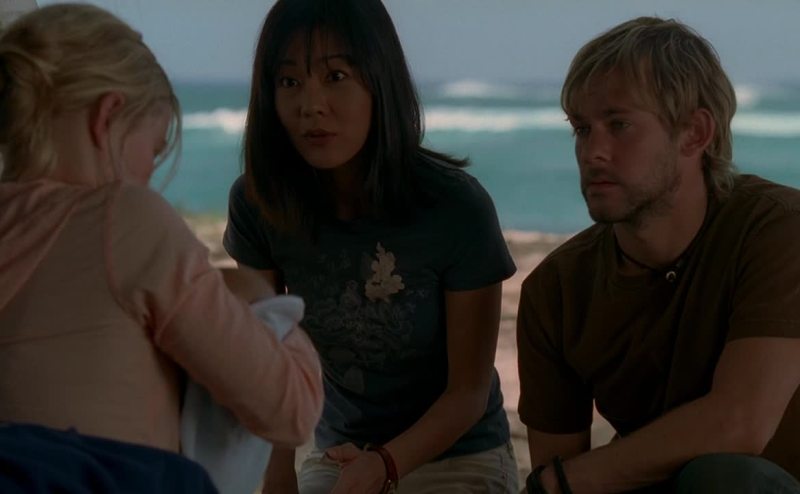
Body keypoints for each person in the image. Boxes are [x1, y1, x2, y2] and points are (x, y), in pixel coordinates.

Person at [0, 3, 323, 488]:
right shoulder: (122, 217)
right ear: (106, 116)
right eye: (152, 151)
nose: (149, 176)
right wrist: (257, 294)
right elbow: (291, 409)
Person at [223, 0, 518, 492]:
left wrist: (385, 465)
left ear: (380, 81)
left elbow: (467, 393)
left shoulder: (455, 207)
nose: (311, 105)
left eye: (336, 76)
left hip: (459, 455)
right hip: (341, 454)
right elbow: (269, 359)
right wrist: (278, 477)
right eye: (289, 81)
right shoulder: (259, 204)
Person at [516, 16, 800, 494]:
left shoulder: (778, 230)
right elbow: (560, 473)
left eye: (619, 125)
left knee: (727, 478)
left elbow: (740, 423)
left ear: (694, 133)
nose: (592, 152)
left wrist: (560, 482)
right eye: (582, 129)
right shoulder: (557, 290)